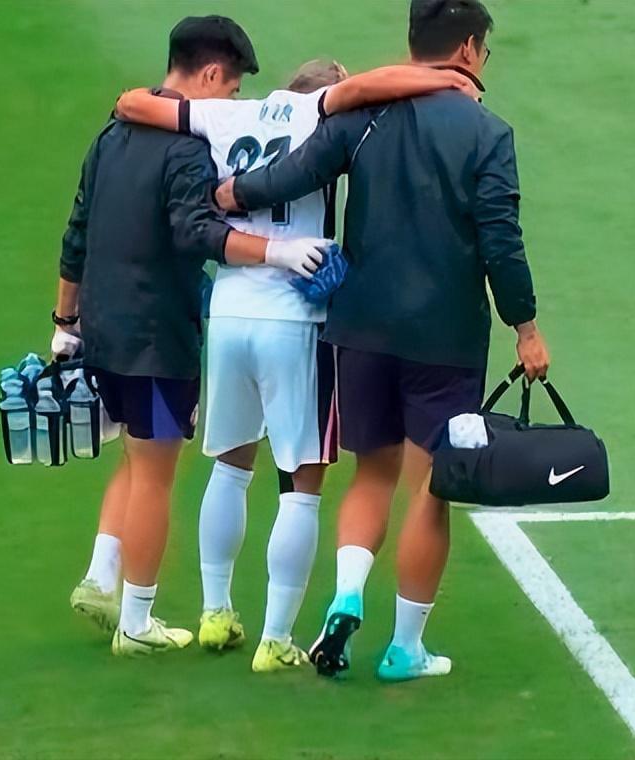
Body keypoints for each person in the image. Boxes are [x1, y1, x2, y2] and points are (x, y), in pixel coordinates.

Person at [216, 0, 551, 681]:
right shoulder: (488, 133)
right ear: (468, 48)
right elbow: (500, 239)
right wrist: (526, 327)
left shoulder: (364, 117)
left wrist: (230, 195)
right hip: (444, 337)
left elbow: (294, 173)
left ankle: (346, 595)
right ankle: (405, 648)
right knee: (430, 487)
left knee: (372, 473)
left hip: (360, 329)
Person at [113, 60, 478, 671]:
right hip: (294, 318)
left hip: (229, 309)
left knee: (229, 468)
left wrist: (132, 100)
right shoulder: (319, 113)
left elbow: (135, 104)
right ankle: (275, 639)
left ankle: (215, 610)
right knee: (301, 487)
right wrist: (443, 79)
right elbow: (367, 88)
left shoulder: (228, 113)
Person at [55, 15, 333, 657]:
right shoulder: (186, 150)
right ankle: (136, 622)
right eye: (231, 90)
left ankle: (101, 574)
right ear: (209, 74)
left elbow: (77, 229)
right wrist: (276, 251)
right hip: (156, 336)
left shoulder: (111, 135)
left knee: (134, 455)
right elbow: (197, 232)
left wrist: (64, 323)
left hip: (101, 327)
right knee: (156, 472)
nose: (231, 104)